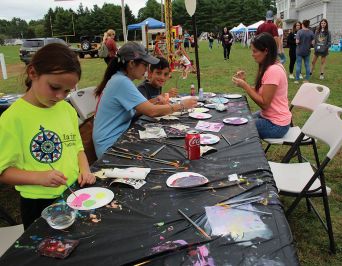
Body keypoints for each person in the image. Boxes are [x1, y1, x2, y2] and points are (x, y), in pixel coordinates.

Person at [0, 43, 96, 229]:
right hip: (38, 203)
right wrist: (39, 177)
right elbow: (4, 172)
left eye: (67, 91)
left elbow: (76, 146)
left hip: (73, 193)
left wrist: (84, 169)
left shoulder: (67, 109)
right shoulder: (13, 118)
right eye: (54, 87)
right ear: (33, 73)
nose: (60, 96)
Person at [93, 42, 196, 158]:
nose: (147, 69)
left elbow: (137, 110)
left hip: (117, 139)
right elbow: (151, 111)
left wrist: (156, 100)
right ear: (132, 63)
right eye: (145, 64)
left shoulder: (120, 79)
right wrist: (181, 105)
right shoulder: (121, 82)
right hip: (109, 147)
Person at [232, 33, 291, 139]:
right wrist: (245, 83)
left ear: (266, 51)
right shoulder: (271, 66)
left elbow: (264, 104)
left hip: (276, 125)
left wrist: (246, 86)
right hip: (269, 117)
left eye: (255, 51)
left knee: (239, 127)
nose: (252, 54)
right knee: (239, 119)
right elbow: (262, 92)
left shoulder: (274, 70)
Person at [295, 19, 314, 84]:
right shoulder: (311, 32)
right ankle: (307, 79)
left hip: (299, 50)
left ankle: (297, 80)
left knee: (298, 65)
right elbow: (313, 42)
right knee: (307, 65)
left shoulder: (299, 32)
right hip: (307, 51)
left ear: (302, 24)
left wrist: (298, 42)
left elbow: (297, 41)